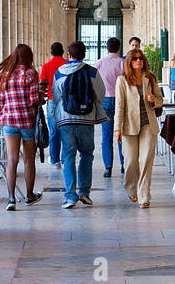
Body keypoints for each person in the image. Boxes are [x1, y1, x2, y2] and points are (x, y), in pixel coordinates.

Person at [52, 41, 106, 209]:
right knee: (86, 155)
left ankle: (70, 197)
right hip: (86, 119)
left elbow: (56, 96)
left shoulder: (60, 72)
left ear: (69, 55)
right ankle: (84, 193)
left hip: (66, 120)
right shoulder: (91, 72)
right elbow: (100, 95)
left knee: (68, 157)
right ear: (84, 55)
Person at [0, 44, 44, 211]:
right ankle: (29, 196)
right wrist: (41, 96)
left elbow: (0, 103)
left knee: (12, 160)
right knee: (29, 160)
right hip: (27, 121)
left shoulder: (5, 75)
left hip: (9, 121)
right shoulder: (30, 74)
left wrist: (8, 111)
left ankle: (11, 198)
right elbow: (33, 100)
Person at [114, 48, 164, 208]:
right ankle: (131, 188)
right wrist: (117, 128)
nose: (138, 61)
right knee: (130, 162)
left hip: (148, 125)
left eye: (141, 58)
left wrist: (153, 100)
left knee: (145, 160)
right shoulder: (122, 80)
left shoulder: (150, 78)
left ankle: (144, 196)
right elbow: (119, 105)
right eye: (135, 59)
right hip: (129, 125)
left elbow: (160, 100)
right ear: (129, 62)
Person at [96, 37, 125, 177]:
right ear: (119, 48)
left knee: (106, 135)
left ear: (106, 48)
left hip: (105, 100)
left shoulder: (100, 63)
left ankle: (108, 168)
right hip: (121, 100)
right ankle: (124, 164)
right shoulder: (122, 63)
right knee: (122, 133)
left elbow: (93, 79)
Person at [38, 41, 68, 168]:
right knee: (66, 130)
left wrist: (41, 98)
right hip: (66, 101)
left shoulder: (46, 66)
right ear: (62, 52)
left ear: (50, 53)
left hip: (52, 101)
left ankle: (55, 160)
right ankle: (66, 158)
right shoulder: (67, 64)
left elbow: (42, 85)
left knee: (54, 131)